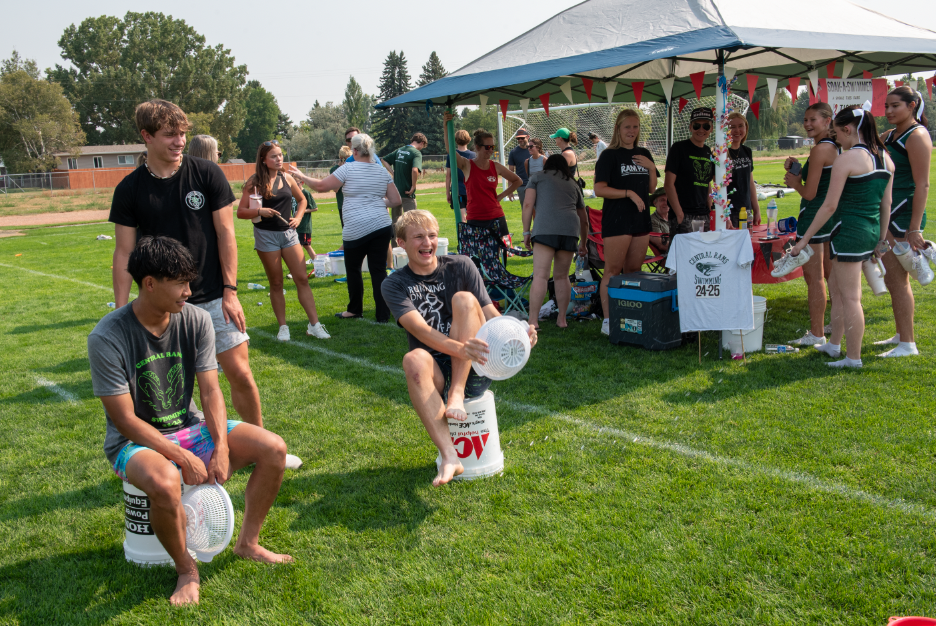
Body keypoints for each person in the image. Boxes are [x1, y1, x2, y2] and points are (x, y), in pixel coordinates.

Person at [88, 236, 291, 606]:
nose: (189, 291)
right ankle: (187, 569)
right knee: (165, 481)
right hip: (132, 442)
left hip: (190, 427)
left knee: (273, 447)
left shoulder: (195, 318)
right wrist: (181, 457)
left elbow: (211, 391)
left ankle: (248, 543)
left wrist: (222, 448)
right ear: (149, 284)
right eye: (180, 283)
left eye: (189, 282)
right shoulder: (107, 336)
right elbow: (124, 420)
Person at [110, 100, 302, 467]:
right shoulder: (130, 189)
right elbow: (123, 253)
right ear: (146, 136)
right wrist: (123, 310)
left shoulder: (207, 174)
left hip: (214, 296)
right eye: (170, 134)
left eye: (182, 133)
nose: (179, 141)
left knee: (241, 375)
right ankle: (176, 455)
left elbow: (226, 233)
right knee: (172, 390)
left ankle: (260, 448)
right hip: (161, 307)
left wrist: (231, 291)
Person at [381, 210, 538, 486]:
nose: (427, 242)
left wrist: (519, 335)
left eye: (431, 235)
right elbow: (419, 330)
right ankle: (450, 456)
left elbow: (491, 314)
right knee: (413, 359)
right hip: (438, 372)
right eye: (418, 237)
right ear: (401, 244)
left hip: (475, 367)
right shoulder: (394, 284)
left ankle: (457, 391)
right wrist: (459, 348)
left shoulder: (461, 265)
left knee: (465, 300)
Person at [786, 106, 894, 368]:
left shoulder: (847, 159)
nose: (835, 139)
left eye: (836, 133)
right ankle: (834, 345)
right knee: (835, 286)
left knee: (850, 297)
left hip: (848, 232)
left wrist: (803, 240)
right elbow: (886, 205)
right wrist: (880, 240)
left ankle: (853, 358)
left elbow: (829, 206)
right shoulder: (886, 158)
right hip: (868, 231)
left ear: (847, 129)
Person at [290, 134, 400, 322]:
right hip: (381, 225)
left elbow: (322, 186)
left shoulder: (348, 168)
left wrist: (301, 176)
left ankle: (355, 309)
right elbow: (396, 200)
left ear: (354, 151)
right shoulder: (382, 172)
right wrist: (377, 201)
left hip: (356, 228)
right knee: (378, 270)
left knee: (354, 269)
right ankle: (382, 314)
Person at [236, 141, 329, 342]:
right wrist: (260, 211)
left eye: (280, 155)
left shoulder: (287, 177)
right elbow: (241, 212)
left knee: (302, 279)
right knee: (276, 283)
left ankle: (314, 325)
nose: (279, 159)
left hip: (289, 235)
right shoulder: (254, 182)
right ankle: (283, 327)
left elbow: (303, 199)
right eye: (274, 156)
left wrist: (298, 217)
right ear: (263, 160)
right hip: (265, 236)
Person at [875, 86, 931, 357]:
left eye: (895, 106)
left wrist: (915, 228)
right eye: (886, 106)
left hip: (903, 214)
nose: (888, 111)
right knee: (892, 277)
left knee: (899, 280)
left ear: (912, 106)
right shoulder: (889, 134)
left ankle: (908, 344)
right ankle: (901, 333)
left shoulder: (917, 135)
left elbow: (923, 185)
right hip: (889, 211)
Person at [594, 108, 659, 336]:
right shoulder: (609, 155)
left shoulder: (644, 153)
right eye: (627, 127)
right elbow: (599, 189)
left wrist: (651, 167)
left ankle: (630, 316)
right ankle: (608, 320)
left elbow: (651, 189)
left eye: (635, 126)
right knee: (612, 271)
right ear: (618, 129)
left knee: (633, 271)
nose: (632, 131)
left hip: (640, 221)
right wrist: (628, 193)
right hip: (617, 221)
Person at [783, 102, 839, 346]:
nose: (807, 124)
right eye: (805, 120)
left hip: (815, 217)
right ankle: (834, 324)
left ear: (828, 121)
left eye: (812, 120)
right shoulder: (835, 146)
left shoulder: (820, 150)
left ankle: (817, 333)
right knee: (831, 275)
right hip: (832, 218)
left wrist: (795, 182)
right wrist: (798, 173)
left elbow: (809, 193)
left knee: (813, 277)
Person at [522, 154, 588, 329]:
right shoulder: (573, 183)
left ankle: (533, 321)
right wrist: (584, 243)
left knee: (541, 276)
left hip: (544, 230)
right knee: (562, 276)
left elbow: (528, 205)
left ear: (547, 165)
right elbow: (584, 219)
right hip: (570, 231)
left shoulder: (537, 177)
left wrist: (526, 231)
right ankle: (562, 320)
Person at [443, 113, 522, 239]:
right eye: (488, 147)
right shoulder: (467, 165)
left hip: (496, 216)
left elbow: (518, 181)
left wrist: (501, 196)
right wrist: (446, 126)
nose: (491, 150)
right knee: (477, 257)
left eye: (492, 147)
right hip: (476, 218)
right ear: (478, 147)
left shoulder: (495, 166)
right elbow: (450, 150)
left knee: (497, 255)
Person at [665, 107, 714, 233]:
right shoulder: (679, 148)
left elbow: (707, 181)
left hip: (704, 215)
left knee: (705, 252)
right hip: (684, 215)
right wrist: (680, 214)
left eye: (706, 126)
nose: (701, 130)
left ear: (711, 129)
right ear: (690, 127)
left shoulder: (709, 152)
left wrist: (710, 203)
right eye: (697, 125)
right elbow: (669, 184)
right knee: (683, 252)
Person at [382, 132, 427, 230]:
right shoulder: (416, 153)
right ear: (422, 143)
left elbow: (384, 160)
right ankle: (410, 245)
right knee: (412, 222)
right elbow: (415, 170)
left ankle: (395, 245)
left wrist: (392, 172)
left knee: (395, 222)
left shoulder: (399, 150)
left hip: (395, 192)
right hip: (407, 193)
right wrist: (413, 186)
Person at [726, 112, 761, 228]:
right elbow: (717, 187)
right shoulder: (722, 153)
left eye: (741, 126)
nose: (737, 130)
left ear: (746, 127)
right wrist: (725, 216)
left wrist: (757, 209)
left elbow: (750, 183)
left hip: (747, 210)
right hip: (730, 212)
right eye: (732, 127)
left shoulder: (747, 151)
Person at [444, 129, 476, 222]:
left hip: (457, 190)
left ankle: (463, 236)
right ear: (469, 140)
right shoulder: (474, 155)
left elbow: (448, 176)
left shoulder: (452, 155)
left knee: (462, 219)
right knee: (472, 217)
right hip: (471, 191)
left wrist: (447, 192)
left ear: (455, 140)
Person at [294, 176, 318, 261]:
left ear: (302, 183)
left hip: (304, 225)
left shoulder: (306, 193)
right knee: (306, 245)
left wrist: (302, 211)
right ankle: (318, 264)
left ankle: (296, 270)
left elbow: (315, 208)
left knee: (299, 247)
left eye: (296, 184)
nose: (294, 186)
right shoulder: (292, 193)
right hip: (294, 224)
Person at [507, 128, 532, 205]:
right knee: (525, 210)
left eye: (522, 138)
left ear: (528, 137)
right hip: (522, 185)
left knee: (538, 210)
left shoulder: (534, 149)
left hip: (535, 184)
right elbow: (510, 172)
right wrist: (510, 189)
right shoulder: (513, 152)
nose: (520, 140)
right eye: (518, 138)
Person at [648, 188, 675, 253]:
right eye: (662, 200)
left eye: (668, 200)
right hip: (669, 256)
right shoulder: (652, 221)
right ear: (655, 203)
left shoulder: (675, 216)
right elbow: (662, 245)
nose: (666, 203)